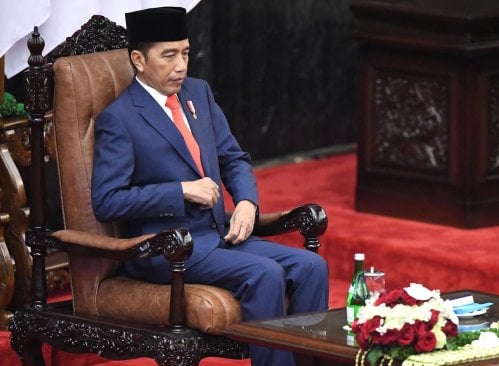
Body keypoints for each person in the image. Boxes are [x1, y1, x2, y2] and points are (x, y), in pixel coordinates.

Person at [90, 7, 329, 366]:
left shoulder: (197, 93)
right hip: (168, 249)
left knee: (312, 266)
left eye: (185, 52)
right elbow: (107, 201)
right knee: (265, 273)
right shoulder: (120, 118)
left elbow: (234, 158)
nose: (181, 65)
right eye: (168, 55)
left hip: (219, 235)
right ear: (138, 59)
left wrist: (247, 202)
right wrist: (180, 190)